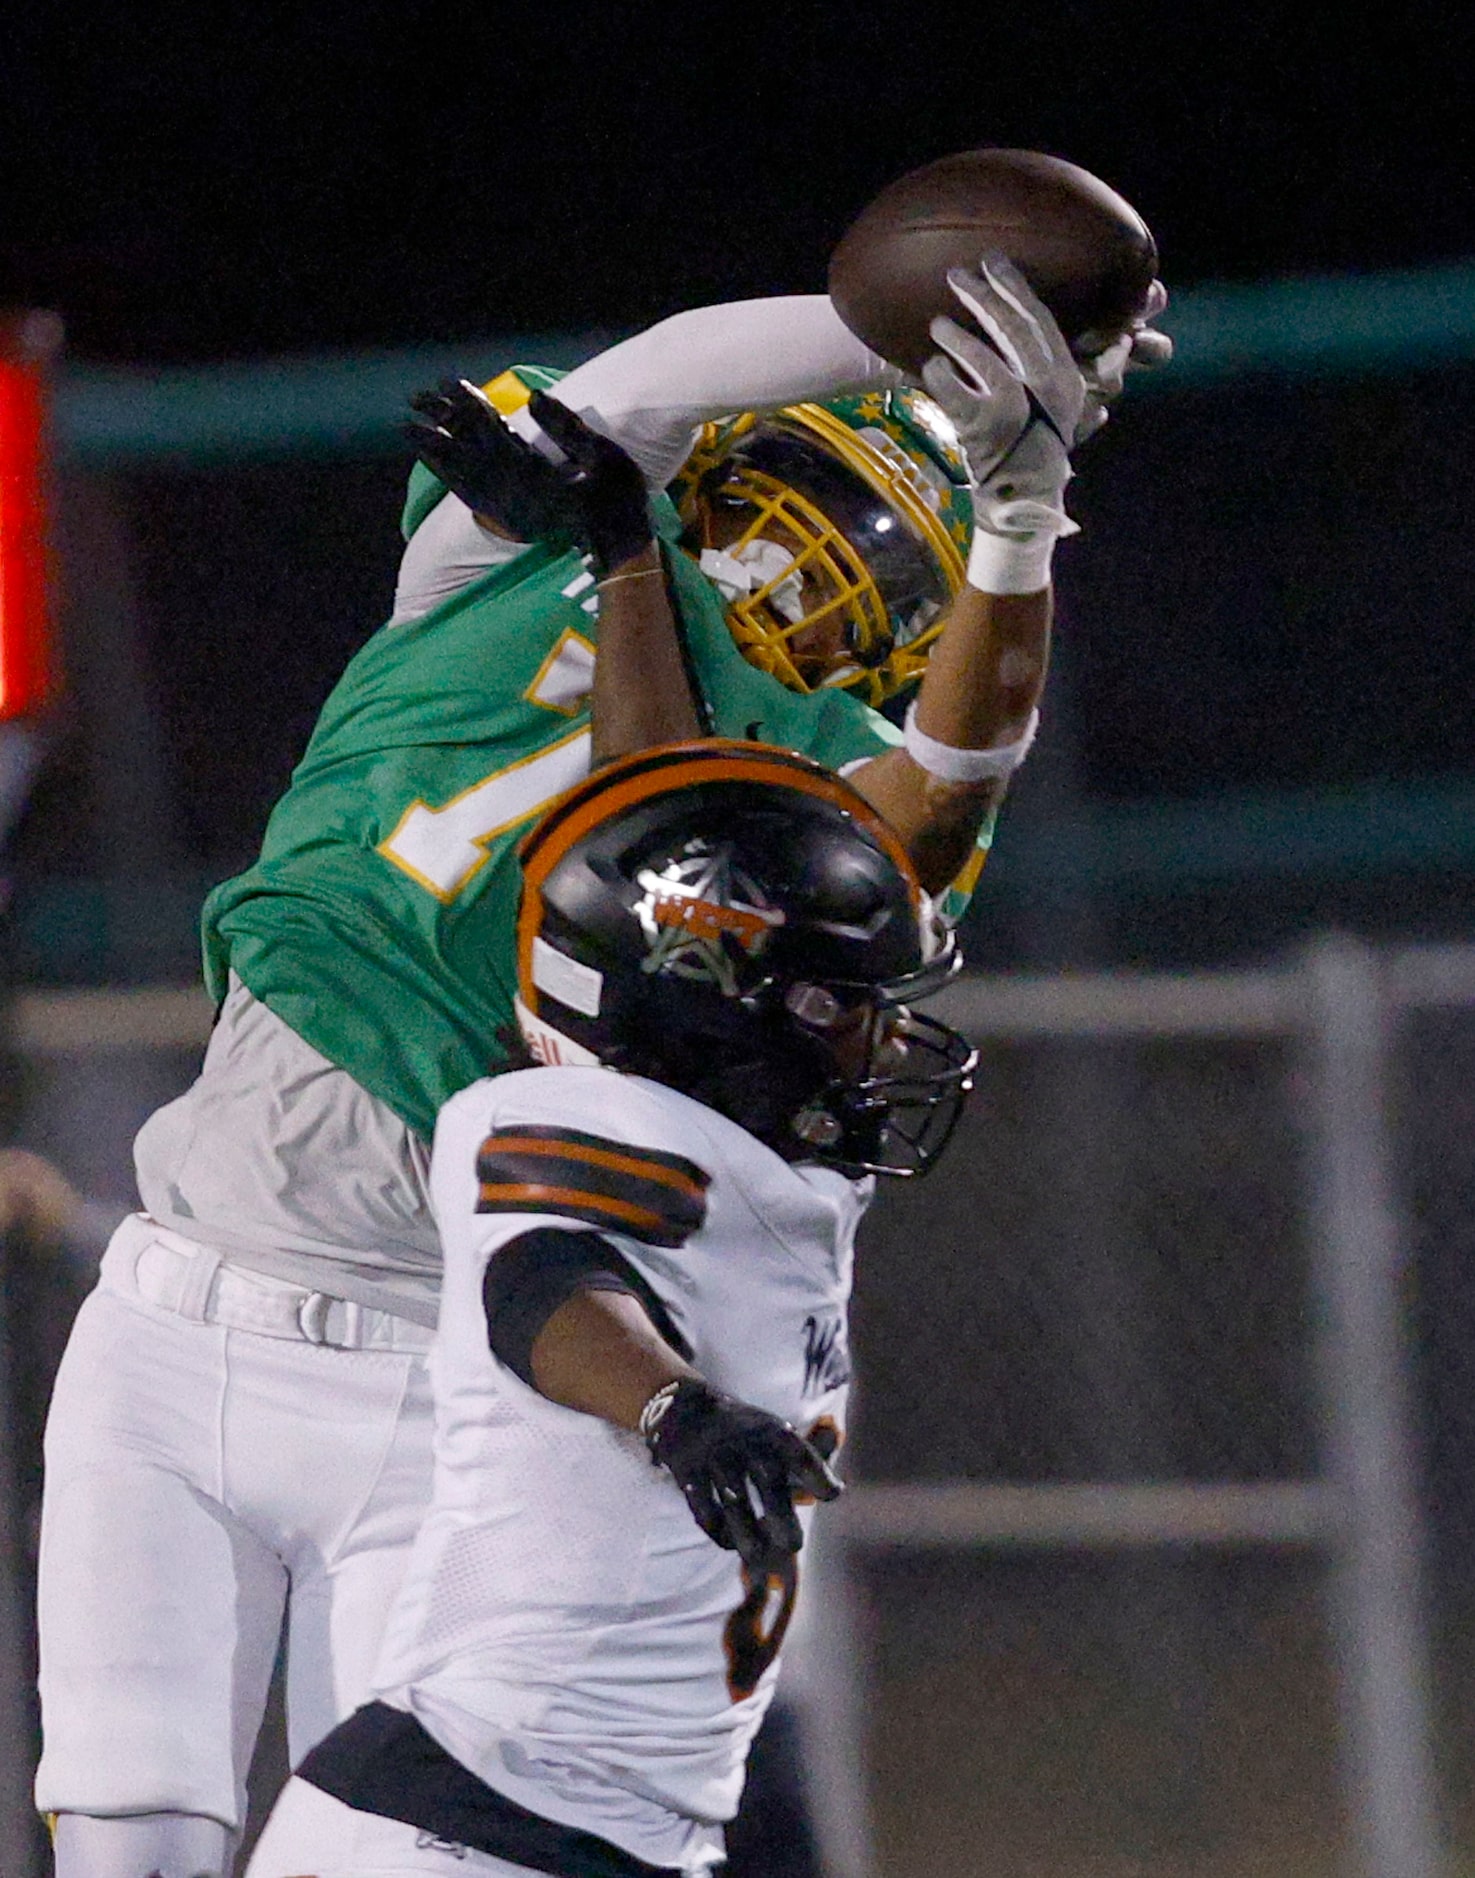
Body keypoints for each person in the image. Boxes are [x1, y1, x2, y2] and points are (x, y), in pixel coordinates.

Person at [35, 261, 1166, 1878]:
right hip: (170, 1301)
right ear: (737, 468)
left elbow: (950, 783)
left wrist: (1015, 514)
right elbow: (634, 385)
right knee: (124, 1841)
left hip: (439, 1361)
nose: (834, 561)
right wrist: (899, 321)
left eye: (894, 558)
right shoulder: (514, 547)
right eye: (835, 500)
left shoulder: (787, 792)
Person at [241, 735, 976, 1878]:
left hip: (600, 1834)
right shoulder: (577, 1124)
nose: (878, 1038)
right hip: (468, 1828)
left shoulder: (783, 1164)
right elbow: (544, 1285)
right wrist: (672, 1408)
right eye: (841, 1002)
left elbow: (931, 809)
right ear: (708, 1005)